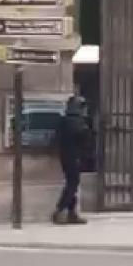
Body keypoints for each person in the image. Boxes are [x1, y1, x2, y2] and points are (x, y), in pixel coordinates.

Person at [52, 95, 92, 225]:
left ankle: (71, 213)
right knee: (72, 185)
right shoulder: (78, 122)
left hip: (65, 156)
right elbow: (85, 140)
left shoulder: (63, 120)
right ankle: (61, 210)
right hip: (74, 157)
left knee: (73, 184)